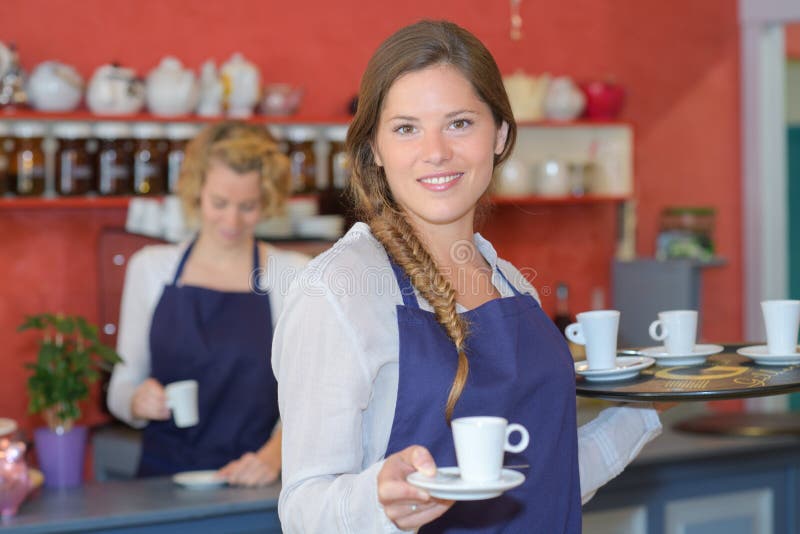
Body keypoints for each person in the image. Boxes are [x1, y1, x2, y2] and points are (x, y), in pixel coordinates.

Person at [273, 20, 662, 532]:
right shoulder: (338, 290)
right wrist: (380, 501)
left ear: (499, 135)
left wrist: (655, 396)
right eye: (406, 128)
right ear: (373, 149)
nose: (436, 151)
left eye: (459, 123)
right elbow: (303, 507)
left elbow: (543, 477)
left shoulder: (510, 283)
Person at [108, 122, 308, 486]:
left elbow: (311, 396)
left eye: (248, 206)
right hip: (161, 483)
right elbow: (120, 389)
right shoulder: (151, 268)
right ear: (195, 191)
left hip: (254, 480)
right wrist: (137, 403)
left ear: (268, 200)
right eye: (219, 203)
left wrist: (273, 455)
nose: (231, 221)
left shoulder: (291, 275)